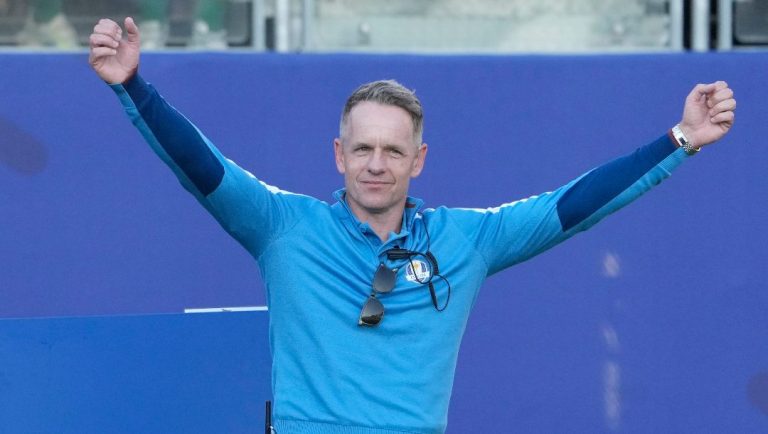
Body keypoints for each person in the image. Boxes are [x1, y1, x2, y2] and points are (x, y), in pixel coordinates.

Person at [88, 17, 736, 434]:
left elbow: (572, 206)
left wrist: (680, 138)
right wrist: (134, 87)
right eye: (362, 149)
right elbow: (203, 168)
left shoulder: (466, 240)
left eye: (393, 151)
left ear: (418, 160)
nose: (376, 164)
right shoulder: (284, 227)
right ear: (338, 154)